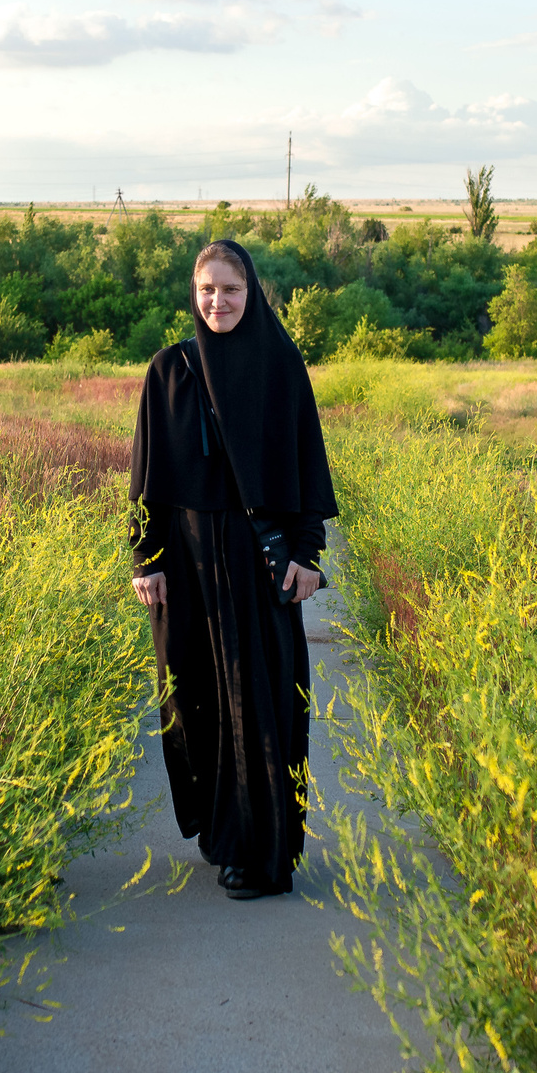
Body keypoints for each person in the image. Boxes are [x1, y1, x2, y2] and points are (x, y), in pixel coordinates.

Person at [128, 238, 337, 900]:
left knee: (266, 701)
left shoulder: (280, 365)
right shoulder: (170, 372)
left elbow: (306, 465)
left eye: (231, 289)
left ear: (253, 294)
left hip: (259, 565)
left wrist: (307, 555)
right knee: (201, 699)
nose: (218, 301)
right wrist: (147, 560)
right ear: (194, 296)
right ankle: (226, 836)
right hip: (188, 568)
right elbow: (148, 481)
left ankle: (264, 850)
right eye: (207, 290)